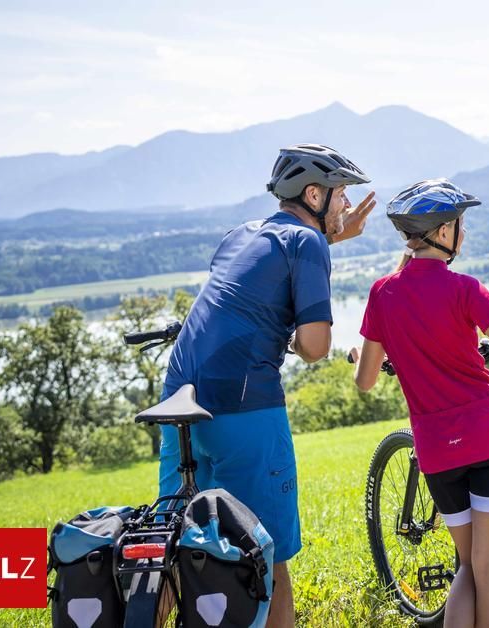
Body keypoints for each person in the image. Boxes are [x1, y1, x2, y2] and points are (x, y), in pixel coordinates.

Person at [159, 144, 376, 627]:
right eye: (341, 195)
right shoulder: (309, 244)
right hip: (244, 407)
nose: (345, 205)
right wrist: (291, 335)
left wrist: (331, 236)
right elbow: (316, 346)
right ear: (314, 194)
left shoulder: (240, 234)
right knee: (266, 555)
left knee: (172, 550)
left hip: (178, 400)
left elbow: (263, 267)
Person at [351, 178, 489, 628]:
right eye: (459, 224)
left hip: (437, 451)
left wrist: (363, 356)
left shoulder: (382, 293)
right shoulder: (464, 288)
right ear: (442, 233)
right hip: (488, 438)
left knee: (467, 568)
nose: (464, 232)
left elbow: (365, 381)